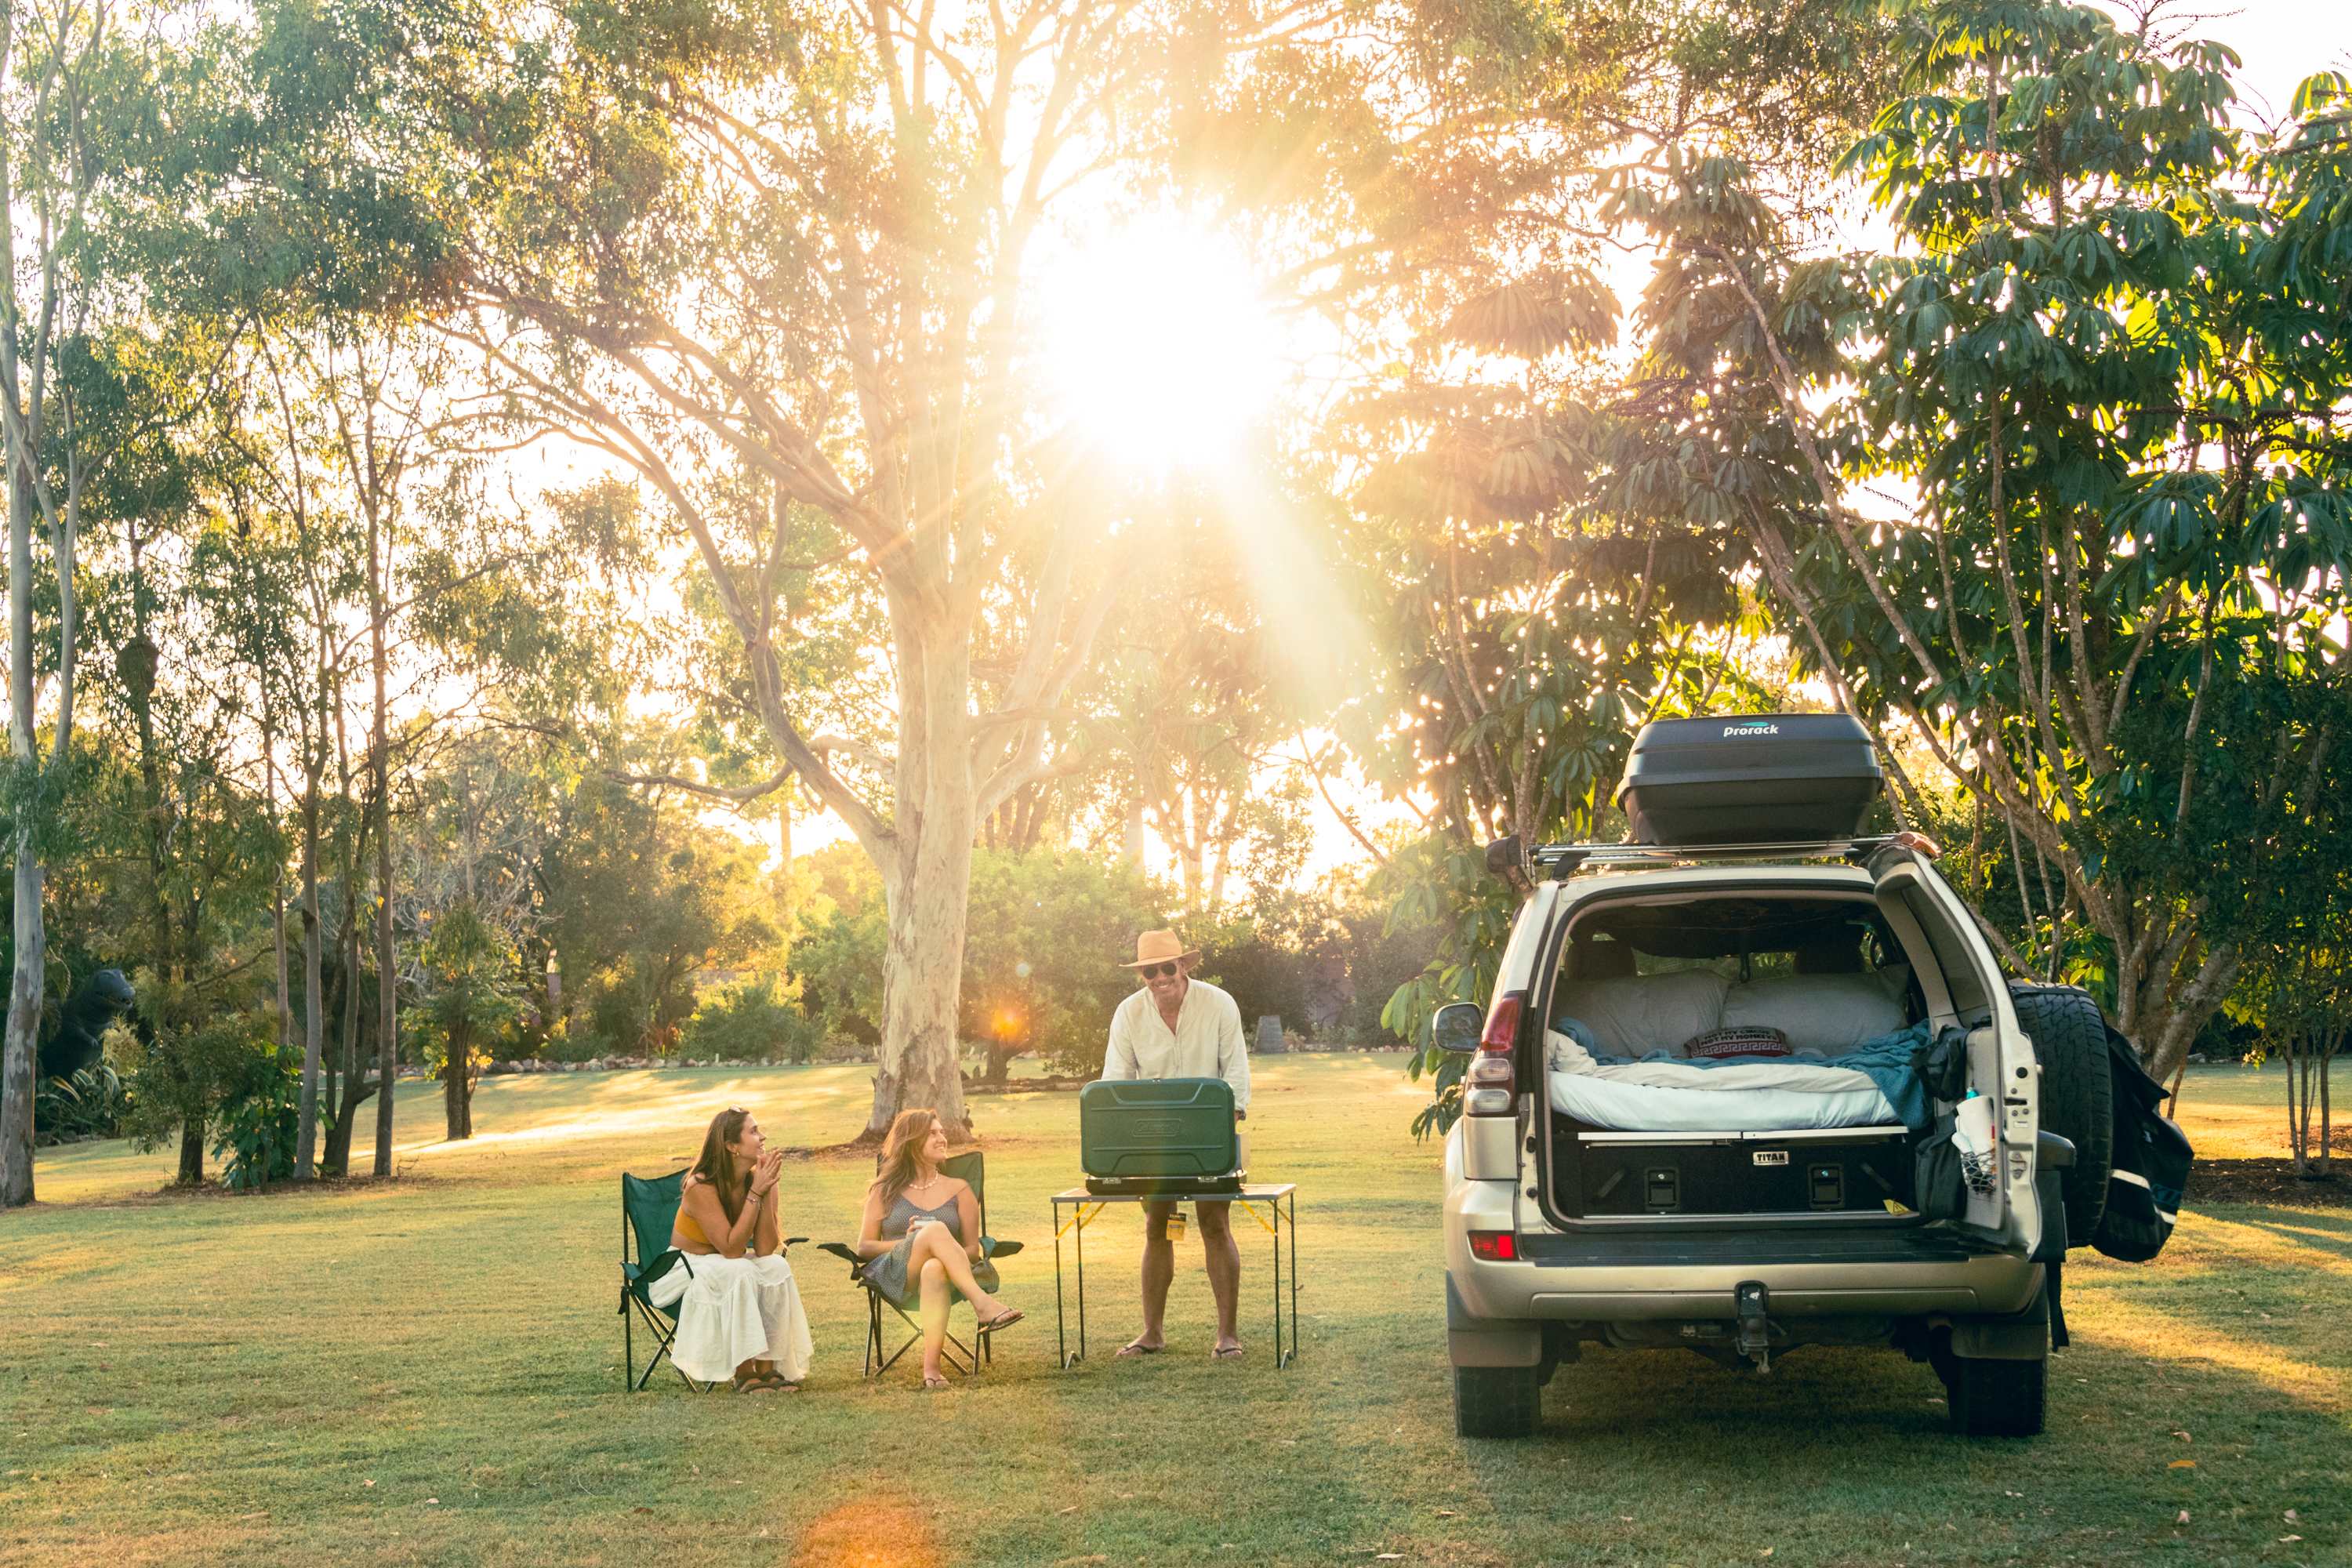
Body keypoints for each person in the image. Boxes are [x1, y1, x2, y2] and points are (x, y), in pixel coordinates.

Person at [1102, 928, 1251, 1360]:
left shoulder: (1219, 1004)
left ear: (1184, 966)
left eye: (1168, 967)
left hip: (1210, 1133)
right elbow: (1116, 1079)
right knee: (1155, 1228)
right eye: (1150, 971)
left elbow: (1235, 1073)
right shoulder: (1128, 1013)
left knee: (1215, 1225)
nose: (1160, 977)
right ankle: (1152, 1333)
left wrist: (1229, 1118)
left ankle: (1228, 1336)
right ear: (1142, 975)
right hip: (1153, 1139)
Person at [649, 1106, 815, 1392]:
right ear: (731, 1146)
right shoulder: (700, 1185)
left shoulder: (759, 1178)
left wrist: (764, 1189)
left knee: (777, 1266)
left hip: (725, 1263)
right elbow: (731, 1249)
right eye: (753, 1131)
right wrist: (755, 1194)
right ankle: (743, 1371)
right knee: (739, 1270)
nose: (762, 1137)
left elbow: (764, 1248)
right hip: (686, 1266)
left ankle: (768, 1369)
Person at [855, 1109, 1025, 1389]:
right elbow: (864, 1247)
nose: (941, 1138)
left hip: (946, 1276)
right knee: (932, 1230)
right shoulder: (884, 1190)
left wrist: (939, 1249)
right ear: (911, 1143)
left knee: (933, 1267)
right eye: (932, 1134)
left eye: (942, 1132)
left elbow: (972, 1251)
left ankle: (932, 1371)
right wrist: (912, 1240)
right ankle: (982, 1305)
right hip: (895, 1275)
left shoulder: (960, 1189)